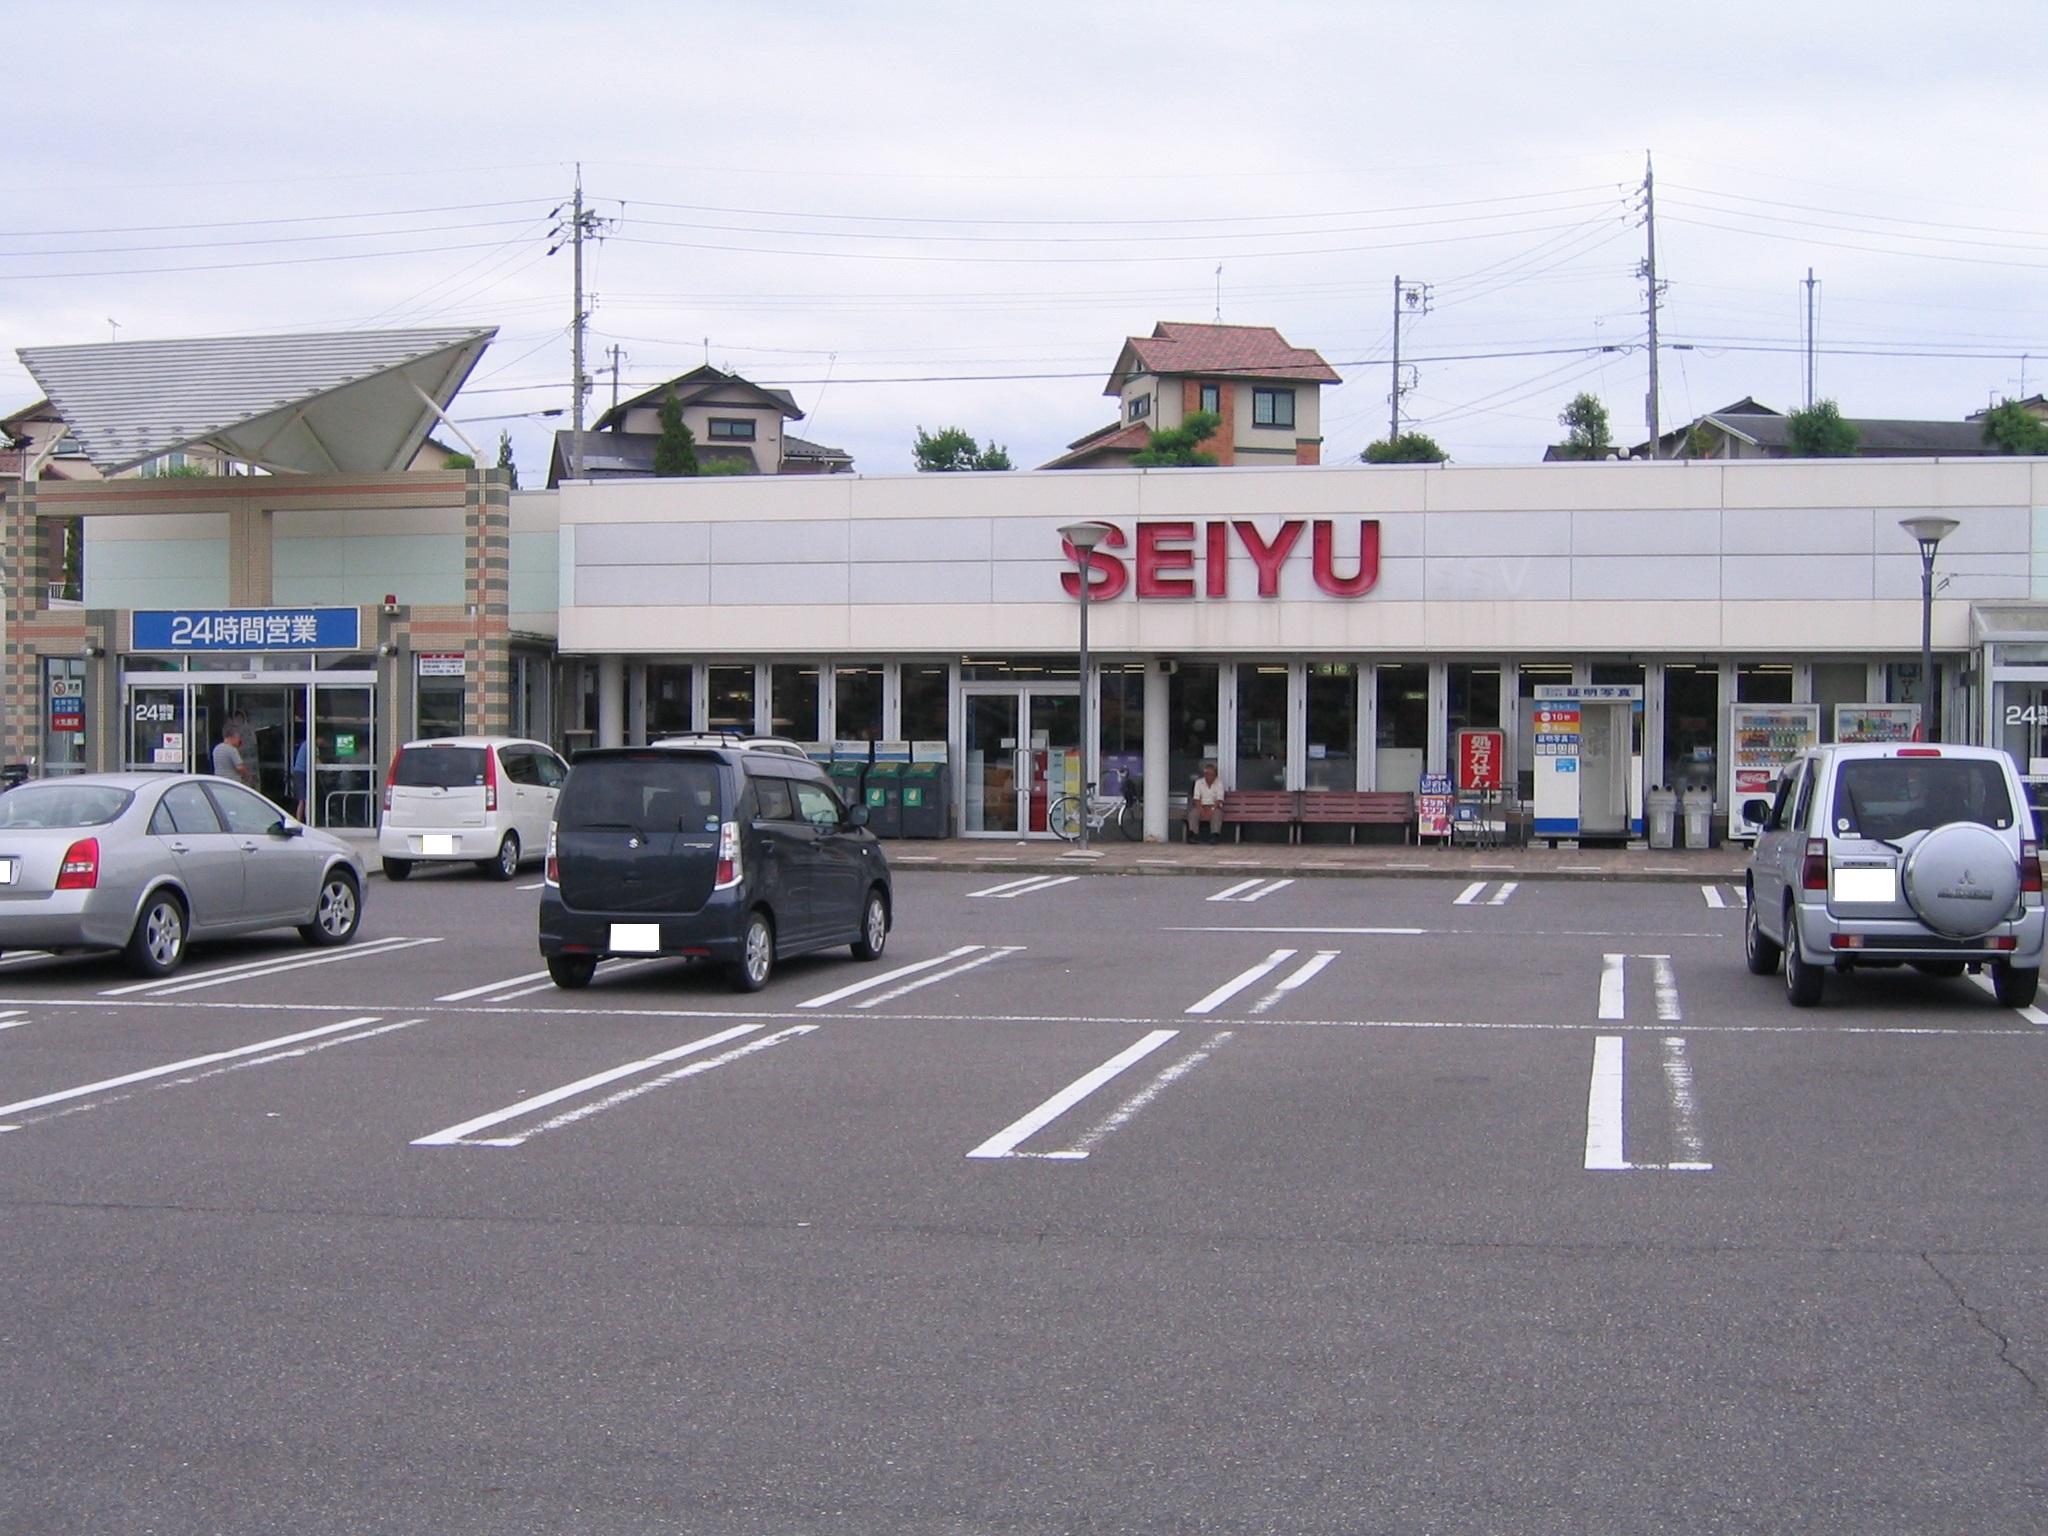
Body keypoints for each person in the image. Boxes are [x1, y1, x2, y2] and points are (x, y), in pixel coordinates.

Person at [1186, 762, 1225, 844]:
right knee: (1193, 813)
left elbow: (1219, 799)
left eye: (1213, 774)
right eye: (1209, 774)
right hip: (1201, 805)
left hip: (1215, 806)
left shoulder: (1219, 783)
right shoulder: (1199, 783)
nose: (1211, 777)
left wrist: (1212, 810)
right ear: (1205, 774)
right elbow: (1196, 798)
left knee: (1217, 814)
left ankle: (1215, 836)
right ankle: (1193, 835)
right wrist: (1201, 810)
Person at [211, 722, 253, 786]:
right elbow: (239, 767)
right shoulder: (231, 750)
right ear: (235, 736)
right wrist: (247, 774)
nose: (239, 740)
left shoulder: (217, 748)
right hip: (232, 783)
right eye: (239, 737)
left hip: (219, 782)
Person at [290, 734, 311, 821]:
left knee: (302, 800)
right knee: (305, 799)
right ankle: (307, 819)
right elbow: (315, 759)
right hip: (301, 773)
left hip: (299, 773)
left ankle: (301, 819)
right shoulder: (310, 745)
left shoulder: (306, 744)